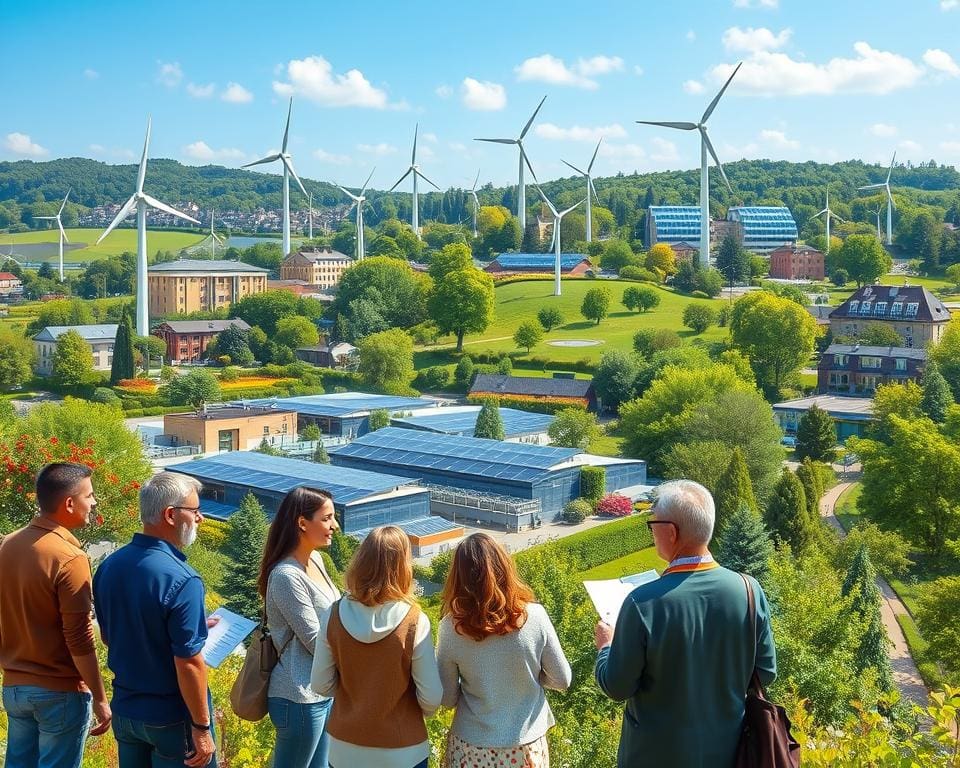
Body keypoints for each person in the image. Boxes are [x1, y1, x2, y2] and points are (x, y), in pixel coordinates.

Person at [594, 480, 777, 768]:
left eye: (652, 523)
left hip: (653, 757)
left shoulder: (641, 603)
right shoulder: (749, 590)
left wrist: (606, 647)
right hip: (728, 754)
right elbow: (765, 673)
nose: (651, 530)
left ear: (670, 531)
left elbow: (616, 687)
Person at [93, 472, 216, 768]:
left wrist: (194, 626)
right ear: (171, 515)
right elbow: (188, 662)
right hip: (172, 719)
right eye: (195, 511)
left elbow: (112, 635)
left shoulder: (109, 566)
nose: (200, 518)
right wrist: (201, 728)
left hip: (127, 711)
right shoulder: (183, 579)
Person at [0, 463, 112, 768]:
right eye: (90, 495)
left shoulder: (8, 545)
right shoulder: (69, 558)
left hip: (14, 689)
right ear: (69, 503)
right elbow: (78, 637)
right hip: (58, 693)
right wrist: (101, 699)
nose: (94, 502)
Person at [311, 525, 442, 768]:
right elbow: (432, 697)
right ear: (404, 566)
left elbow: (320, 684)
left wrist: (353, 697)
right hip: (404, 751)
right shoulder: (414, 621)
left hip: (344, 749)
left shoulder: (333, 614)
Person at [437, 533, 571, 768]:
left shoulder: (450, 628)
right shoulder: (535, 616)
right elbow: (562, 679)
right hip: (525, 745)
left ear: (458, 576)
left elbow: (447, 698)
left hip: (470, 747)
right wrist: (529, 674)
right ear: (504, 567)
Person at [257, 487, 341, 768]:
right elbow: (316, 641)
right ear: (302, 523)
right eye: (327, 518)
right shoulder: (286, 576)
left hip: (321, 691)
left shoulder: (316, 559)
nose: (335, 525)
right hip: (298, 696)